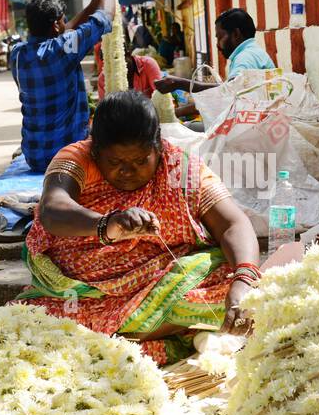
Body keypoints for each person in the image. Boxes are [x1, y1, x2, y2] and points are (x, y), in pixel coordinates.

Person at [19, 90, 261, 363]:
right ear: (95, 149)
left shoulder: (179, 169)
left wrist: (243, 283)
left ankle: (131, 332)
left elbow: (232, 223)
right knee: (37, 322)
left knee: (240, 283)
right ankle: (163, 330)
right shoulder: (77, 158)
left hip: (162, 279)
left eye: (140, 161)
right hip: (86, 289)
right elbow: (52, 209)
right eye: (115, 162)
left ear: (158, 146)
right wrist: (107, 224)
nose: (127, 171)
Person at [12, 0, 121, 172]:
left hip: (35, 156)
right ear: (55, 25)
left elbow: (63, 33)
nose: (65, 25)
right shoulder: (63, 50)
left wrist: (89, 8)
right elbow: (105, 17)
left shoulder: (18, 54)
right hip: (68, 156)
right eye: (62, 21)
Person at [153, 7, 275, 113]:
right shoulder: (252, 52)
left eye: (220, 37)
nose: (217, 45)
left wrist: (179, 83)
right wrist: (178, 111)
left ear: (236, 34)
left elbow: (227, 94)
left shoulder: (245, 58)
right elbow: (226, 92)